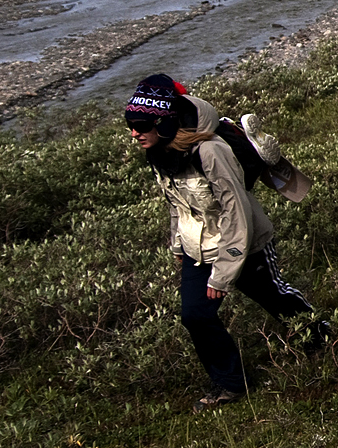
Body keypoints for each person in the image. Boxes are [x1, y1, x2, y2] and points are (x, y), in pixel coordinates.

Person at [125, 74, 326, 413]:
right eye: (130, 125)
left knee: (275, 298)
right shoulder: (159, 151)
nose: (134, 133)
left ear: (163, 121)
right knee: (195, 316)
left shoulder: (211, 151)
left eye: (141, 125)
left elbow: (237, 213)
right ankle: (231, 383)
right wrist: (179, 246)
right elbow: (178, 204)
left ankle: (319, 334)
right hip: (197, 248)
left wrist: (223, 272)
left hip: (244, 245)